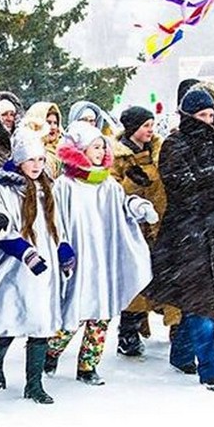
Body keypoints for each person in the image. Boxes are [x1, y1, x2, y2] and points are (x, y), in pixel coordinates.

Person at [148, 89, 214, 391]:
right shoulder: (175, 144)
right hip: (189, 234)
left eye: (211, 116)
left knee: (205, 301)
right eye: (202, 116)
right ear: (189, 116)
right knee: (204, 304)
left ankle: (182, 353)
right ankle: (211, 370)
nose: (208, 121)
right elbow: (184, 186)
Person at [46, 120, 155, 384]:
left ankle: (88, 366)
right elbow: (55, 218)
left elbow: (121, 207)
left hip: (103, 259)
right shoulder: (65, 186)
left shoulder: (108, 186)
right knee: (74, 313)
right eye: (94, 147)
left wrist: (138, 207)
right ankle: (49, 352)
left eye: (102, 147)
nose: (100, 152)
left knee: (101, 315)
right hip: (78, 259)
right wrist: (62, 246)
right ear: (80, 150)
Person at [0, 130, 74, 403]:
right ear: (19, 160)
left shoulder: (48, 188)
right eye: (31, 160)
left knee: (41, 324)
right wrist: (24, 252)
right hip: (17, 268)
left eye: (40, 159)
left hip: (45, 268)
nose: (37, 165)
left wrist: (63, 251)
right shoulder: (4, 189)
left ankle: (33, 385)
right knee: (11, 319)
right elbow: (2, 231)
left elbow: (58, 225)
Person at [111, 105, 167, 357]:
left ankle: (174, 328)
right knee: (135, 281)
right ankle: (129, 331)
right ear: (133, 128)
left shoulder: (159, 151)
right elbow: (111, 191)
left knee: (163, 277)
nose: (150, 130)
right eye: (146, 125)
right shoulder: (117, 156)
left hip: (161, 225)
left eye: (152, 125)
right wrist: (130, 181)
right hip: (133, 229)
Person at [20, 102, 64, 177]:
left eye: (55, 123)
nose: (53, 127)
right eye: (48, 122)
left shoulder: (64, 148)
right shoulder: (24, 150)